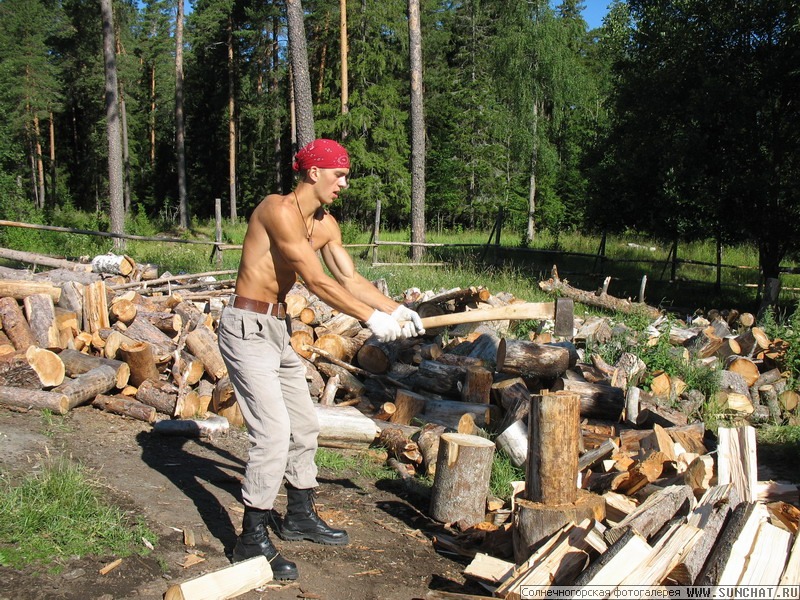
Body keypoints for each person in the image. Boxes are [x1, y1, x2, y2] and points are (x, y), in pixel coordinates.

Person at [217, 138, 425, 580]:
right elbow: (314, 280)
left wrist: (394, 310)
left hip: (276, 328)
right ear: (313, 173)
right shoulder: (277, 210)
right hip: (245, 326)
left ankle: (298, 515)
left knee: (305, 424)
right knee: (272, 433)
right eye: (338, 174)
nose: (344, 183)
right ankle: (250, 538)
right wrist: (370, 318)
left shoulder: (325, 224)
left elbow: (350, 276)